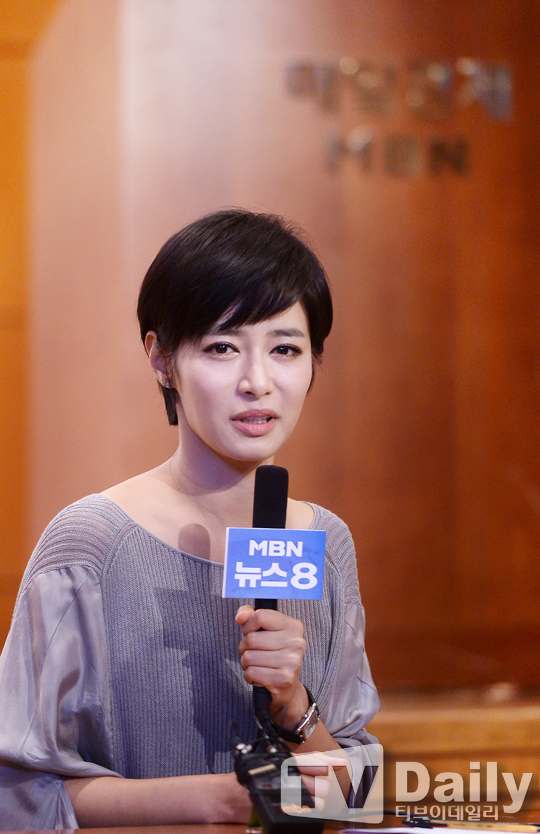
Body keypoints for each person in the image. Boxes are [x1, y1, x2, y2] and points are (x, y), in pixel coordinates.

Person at [0, 209, 380, 829]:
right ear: (161, 358)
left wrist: (294, 706)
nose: (257, 382)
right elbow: (16, 796)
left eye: (285, 349)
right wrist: (211, 801)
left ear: (315, 360)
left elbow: (355, 800)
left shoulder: (325, 542)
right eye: (222, 348)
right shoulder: (90, 545)